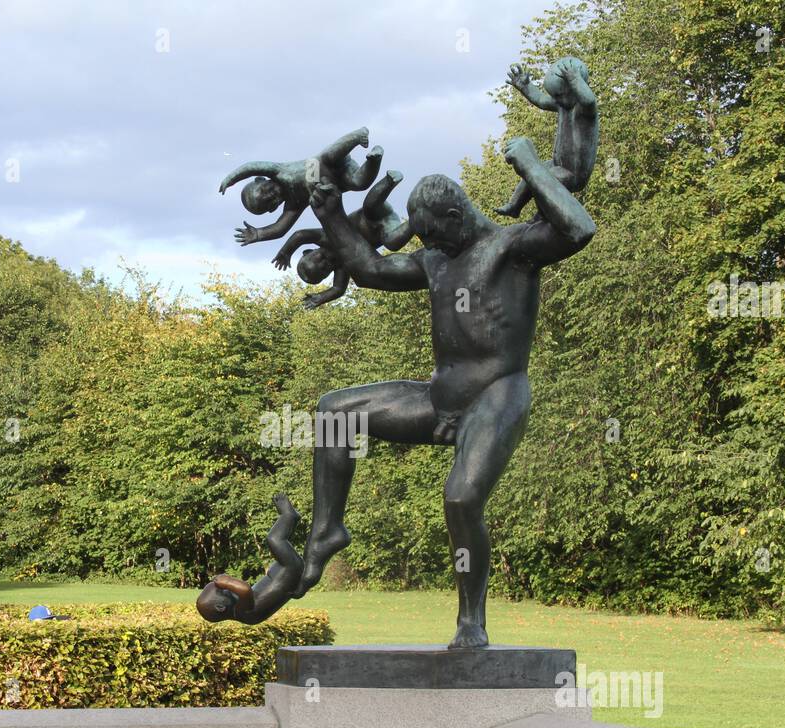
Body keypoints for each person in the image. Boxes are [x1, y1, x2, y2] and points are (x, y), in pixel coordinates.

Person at [294, 130, 596, 648]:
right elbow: (368, 269)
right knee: (334, 412)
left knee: (459, 499)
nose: (428, 247)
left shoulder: (513, 248)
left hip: (496, 396)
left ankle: (470, 622)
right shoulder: (436, 261)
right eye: (424, 240)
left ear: (456, 217)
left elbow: (578, 228)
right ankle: (327, 531)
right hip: (439, 398)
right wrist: (330, 215)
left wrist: (528, 164)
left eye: (433, 236)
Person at [271, 170, 415, 308]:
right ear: (328, 274)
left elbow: (300, 235)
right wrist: (321, 297)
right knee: (392, 243)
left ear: (309, 251)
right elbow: (338, 289)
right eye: (325, 269)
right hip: (386, 228)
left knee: (370, 206)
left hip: (372, 214)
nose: (325, 262)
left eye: (319, 258)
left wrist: (286, 252)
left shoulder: (324, 236)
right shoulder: (343, 265)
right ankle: (416, 220)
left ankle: (389, 181)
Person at [219, 127, 383, 246]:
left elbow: (252, 166)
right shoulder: (293, 205)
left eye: (264, 191)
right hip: (339, 180)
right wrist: (258, 234)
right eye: (268, 201)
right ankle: (374, 159)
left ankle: (356, 137)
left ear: (261, 180)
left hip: (323, 164)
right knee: (359, 183)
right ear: (273, 208)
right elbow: (280, 228)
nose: (269, 195)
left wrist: (232, 178)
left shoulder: (278, 171)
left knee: (326, 158)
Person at [495, 57, 598, 217]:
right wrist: (525, 87)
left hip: (574, 174)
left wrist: (576, 79)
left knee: (542, 178)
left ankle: (544, 215)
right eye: (555, 96)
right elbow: (541, 100)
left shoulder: (584, 110)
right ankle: (514, 206)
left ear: (575, 89)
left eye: (559, 95)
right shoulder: (563, 103)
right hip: (558, 164)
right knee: (533, 171)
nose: (556, 100)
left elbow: (589, 100)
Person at [196, 494, 304, 624]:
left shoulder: (242, 612)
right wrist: (227, 581)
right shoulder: (242, 612)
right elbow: (245, 589)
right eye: (224, 591)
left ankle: (290, 518)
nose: (227, 588)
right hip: (289, 569)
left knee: (275, 543)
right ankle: (289, 516)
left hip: (285, 573)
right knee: (274, 540)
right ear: (220, 607)